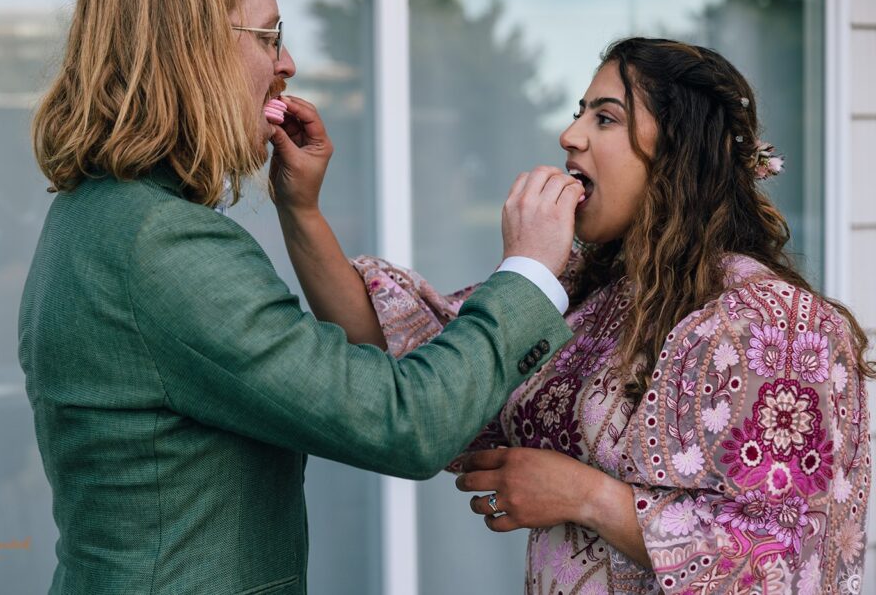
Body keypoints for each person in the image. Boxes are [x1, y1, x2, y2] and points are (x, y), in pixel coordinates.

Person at [18, 0, 584, 593]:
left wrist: (301, 209)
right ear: (189, 46)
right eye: (270, 36)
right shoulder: (160, 244)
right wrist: (526, 271)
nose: (286, 64)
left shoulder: (94, 215)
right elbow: (404, 423)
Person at [283, 37, 873, 594]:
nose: (569, 136)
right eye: (578, 112)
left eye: (605, 118)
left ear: (681, 153)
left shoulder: (776, 324)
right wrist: (301, 207)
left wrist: (584, 496)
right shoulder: (586, 296)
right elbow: (424, 365)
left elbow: (784, 559)